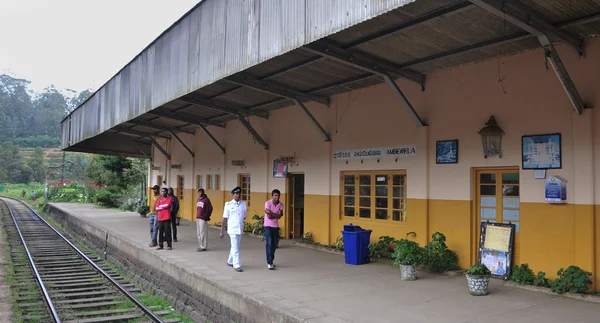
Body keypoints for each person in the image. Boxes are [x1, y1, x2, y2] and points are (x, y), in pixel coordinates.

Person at [220, 186, 246, 272]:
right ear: (233, 195)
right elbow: (224, 218)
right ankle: (237, 264)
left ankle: (230, 261)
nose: (237, 195)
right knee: (235, 247)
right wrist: (221, 231)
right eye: (236, 194)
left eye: (238, 194)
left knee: (235, 246)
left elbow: (244, 217)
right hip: (232, 229)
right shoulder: (228, 205)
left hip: (240, 229)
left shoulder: (243, 204)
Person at [264, 189, 284, 270]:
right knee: (269, 242)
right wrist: (276, 215)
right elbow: (269, 217)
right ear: (272, 196)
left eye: (278, 195)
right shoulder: (268, 203)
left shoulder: (281, 204)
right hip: (267, 225)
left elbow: (279, 216)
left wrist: (271, 213)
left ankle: (271, 260)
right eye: (275, 195)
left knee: (274, 244)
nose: (277, 197)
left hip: (275, 226)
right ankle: (269, 262)